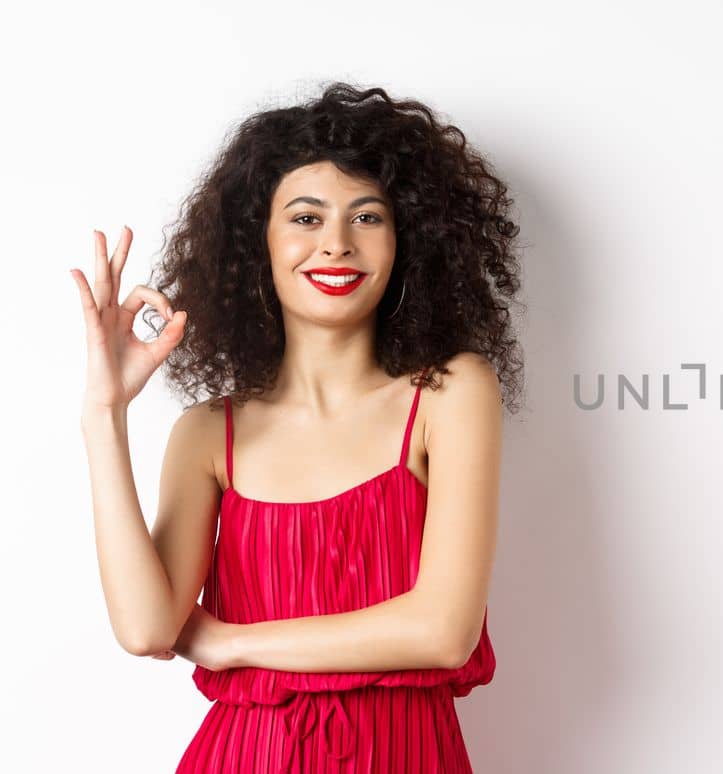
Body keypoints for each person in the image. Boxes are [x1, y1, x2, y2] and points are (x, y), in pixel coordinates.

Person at [71, 82, 525, 772]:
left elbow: (442, 633)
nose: (337, 245)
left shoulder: (449, 394)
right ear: (260, 243)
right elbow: (146, 628)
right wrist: (105, 413)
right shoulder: (207, 435)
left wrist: (235, 644)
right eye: (306, 219)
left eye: (368, 218)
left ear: (408, 242)